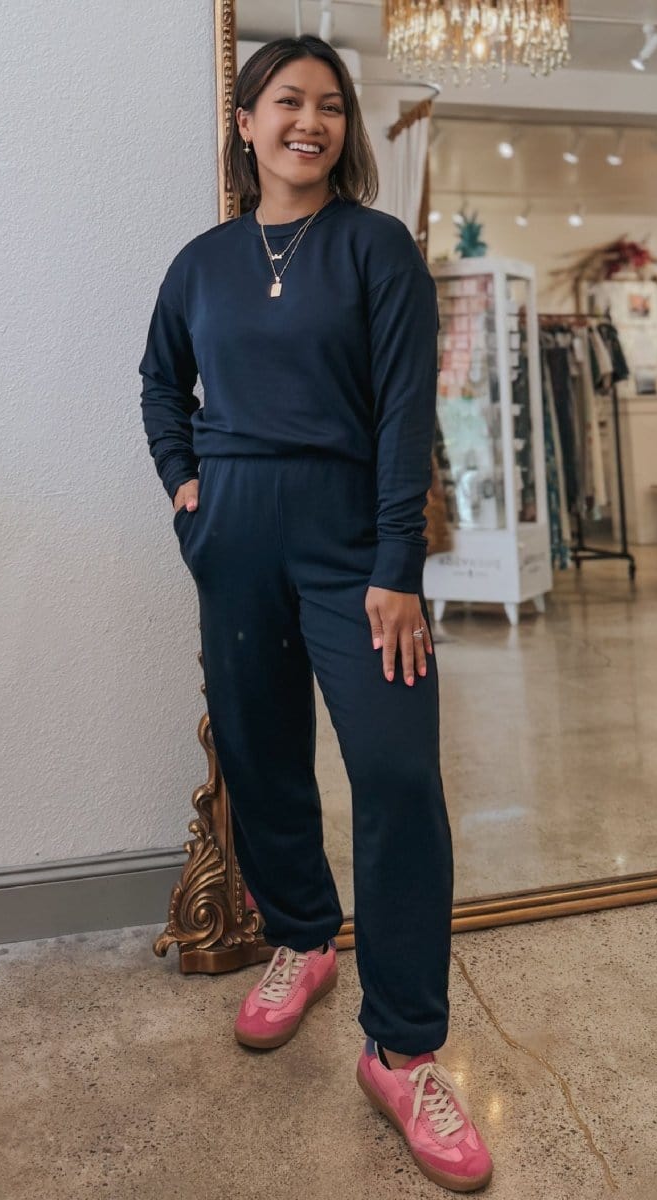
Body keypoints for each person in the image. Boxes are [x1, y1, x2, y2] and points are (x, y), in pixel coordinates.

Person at [138, 34, 493, 1193]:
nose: (312, 120)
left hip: (355, 543)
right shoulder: (200, 264)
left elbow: (403, 415)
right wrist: (186, 482)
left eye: (330, 106)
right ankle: (301, 934)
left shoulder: (376, 250)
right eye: (287, 101)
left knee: (395, 777)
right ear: (246, 124)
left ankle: (404, 1050)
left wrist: (397, 563)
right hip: (235, 528)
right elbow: (158, 380)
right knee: (260, 749)